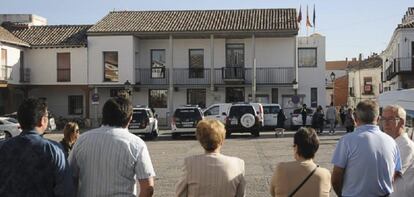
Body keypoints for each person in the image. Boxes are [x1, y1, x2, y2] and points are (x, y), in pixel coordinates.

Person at [69, 97, 156, 197]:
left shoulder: (82, 140)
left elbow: (68, 177)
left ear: (103, 115)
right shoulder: (136, 144)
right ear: (130, 118)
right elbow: (148, 188)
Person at [0, 98, 74, 197]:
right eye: (47, 116)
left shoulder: (3, 147)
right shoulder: (54, 150)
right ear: (42, 120)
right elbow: (65, 191)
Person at [331, 100, 402, 197]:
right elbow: (396, 174)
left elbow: (336, 178)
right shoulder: (392, 142)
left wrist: (342, 195)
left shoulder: (346, 141)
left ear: (355, 118)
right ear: (378, 119)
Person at [175, 119, 246, 197]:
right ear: (222, 139)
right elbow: (241, 194)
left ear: (200, 141)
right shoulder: (238, 164)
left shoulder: (190, 163)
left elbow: (180, 194)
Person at [270, 127, 331, 197]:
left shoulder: (281, 168)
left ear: (296, 147)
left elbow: (273, 193)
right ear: (316, 148)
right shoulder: (326, 174)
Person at [382, 105, 414, 197]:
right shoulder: (391, 143)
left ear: (402, 122)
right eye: (383, 119)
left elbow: (388, 177)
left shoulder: (405, 146)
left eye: (391, 119)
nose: (386, 123)